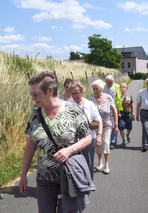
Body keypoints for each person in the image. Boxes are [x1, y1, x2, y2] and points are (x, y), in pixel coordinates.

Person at [18, 71, 92, 213]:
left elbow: (87, 137)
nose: (33, 98)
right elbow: (30, 145)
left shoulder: (72, 110)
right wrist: (23, 176)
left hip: (69, 175)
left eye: (36, 94)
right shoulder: (36, 113)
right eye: (31, 94)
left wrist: (69, 150)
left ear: (50, 91)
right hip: (45, 177)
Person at [68, 81, 103, 179]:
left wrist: (99, 136)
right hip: (73, 141)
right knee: (75, 164)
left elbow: (99, 121)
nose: (75, 96)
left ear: (82, 91)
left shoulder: (90, 104)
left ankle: (88, 184)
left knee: (88, 163)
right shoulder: (68, 105)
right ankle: (78, 185)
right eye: (72, 93)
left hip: (89, 140)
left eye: (77, 93)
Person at [89, 79, 118, 174]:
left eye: (96, 89)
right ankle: (100, 161)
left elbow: (114, 112)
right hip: (96, 126)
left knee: (105, 143)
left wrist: (116, 124)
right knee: (98, 144)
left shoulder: (108, 98)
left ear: (101, 88)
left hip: (107, 125)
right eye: (94, 89)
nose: (95, 91)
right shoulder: (91, 100)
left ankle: (106, 164)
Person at [103, 75, 123, 150]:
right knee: (106, 126)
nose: (110, 84)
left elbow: (119, 100)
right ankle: (106, 141)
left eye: (111, 83)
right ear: (105, 82)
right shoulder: (102, 87)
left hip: (114, 109)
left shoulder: (117, 87)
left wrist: (119, 111)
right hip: (105, 110)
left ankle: (113, 142)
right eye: (108, 83)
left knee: (115, 125)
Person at [118, 83, 135, 147]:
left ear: (126, 88)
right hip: (121, 115)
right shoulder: (118, 96)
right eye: (121, 87)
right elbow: (117, 105)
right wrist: (118, 112)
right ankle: (123, 141)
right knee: (121, 127)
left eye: (124, 87)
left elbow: (132, 105)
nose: (123, 89)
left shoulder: (129, 96)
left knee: (129, 128)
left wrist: (133, 114)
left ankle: (128, 134)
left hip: (128, 114)